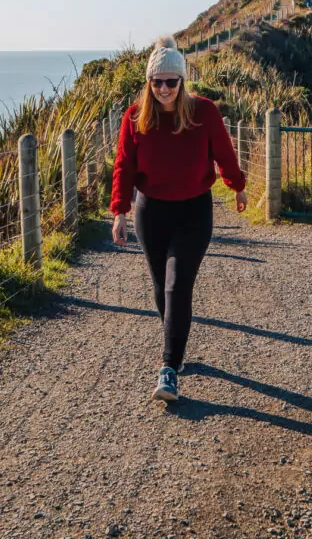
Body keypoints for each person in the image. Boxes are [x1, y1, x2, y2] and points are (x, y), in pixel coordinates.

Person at [111, 35, 247, 401]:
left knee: (176, 286)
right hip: (150, 212)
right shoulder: (135, 117)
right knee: (160, 288)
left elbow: (224, 152)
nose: (164, 89)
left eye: (171, 81)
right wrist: (119, 213)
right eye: (157, 82)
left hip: (193, 211)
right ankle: (177, 342)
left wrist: (237, 186)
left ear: (182, 81)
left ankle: (169, 367)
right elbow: (124, 166)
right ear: (149, 82)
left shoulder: (203, 112)